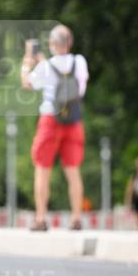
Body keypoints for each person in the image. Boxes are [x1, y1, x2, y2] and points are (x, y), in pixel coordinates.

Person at [21, 24, 88, 230]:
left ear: (51, 44)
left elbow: (28, 84)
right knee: (73, 170)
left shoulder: (46, 67)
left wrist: (26, 63)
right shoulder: (80, 61)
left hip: (50, 119)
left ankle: (41, 218)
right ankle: (76, 217)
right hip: (73, 119)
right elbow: (81, 85)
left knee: (42, 169)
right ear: (70, 43)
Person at [124, 156, 138, 230]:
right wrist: (128, 202)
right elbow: (129, 190)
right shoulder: (134, 176)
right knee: (137, 215)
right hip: (137, 198)